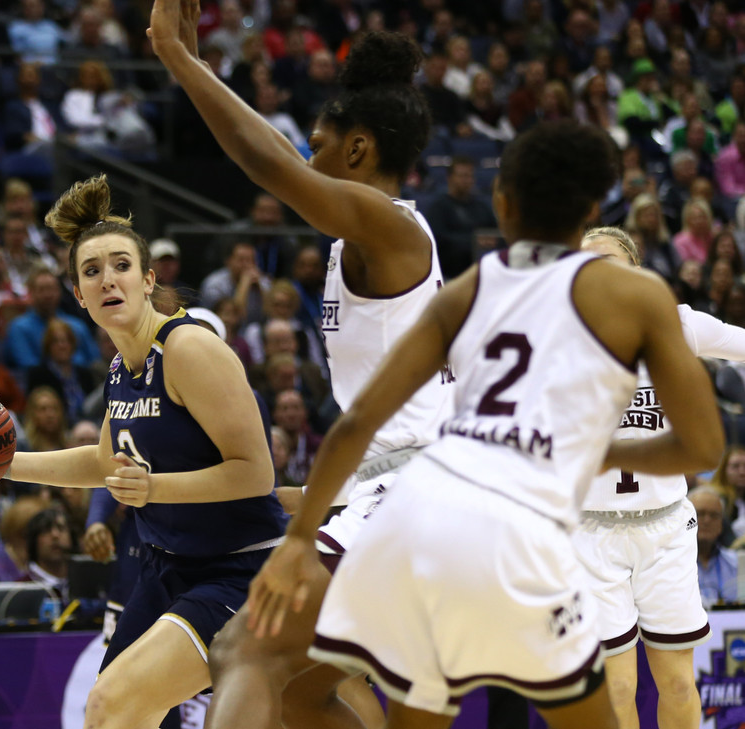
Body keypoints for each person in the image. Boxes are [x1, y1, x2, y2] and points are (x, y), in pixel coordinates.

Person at [245, 119, 724, 729]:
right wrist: (598, 454)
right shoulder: (638, 301)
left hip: (441, 521)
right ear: (591, 208)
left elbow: (359, 421)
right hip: (525, 542)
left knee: (374, 700)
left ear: (501, 203)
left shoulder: (465, 293)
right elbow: (703, 446)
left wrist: (297, 539)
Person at [151, 10, 452, 729]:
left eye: (317, 147)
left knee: (244, 650)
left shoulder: (389, 226)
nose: (304, 160)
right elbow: (281, 153)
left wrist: (179, 60)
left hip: (417, 491)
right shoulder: (378, 234)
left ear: (358, 148)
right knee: (300, 692)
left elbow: (270, 164)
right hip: (408, 489)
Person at [6, 173, 286, 729]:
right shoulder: (120, 367)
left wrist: (155, 487)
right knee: (112, 713)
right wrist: (2, 466)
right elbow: (104, 462)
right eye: (91, 271)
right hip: (167, 568)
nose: (108, 279)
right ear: (79, 296)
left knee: (114, 705)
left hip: (241, 566)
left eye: (121, 265)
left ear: (148, 279)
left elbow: (256, 473)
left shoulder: (188, 349)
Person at [575, 226, 744, 729]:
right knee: (617, 687)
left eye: (606, 260)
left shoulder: (677, 323)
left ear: (636, 269)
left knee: (676, 683)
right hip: (590, 532)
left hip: (665, 527)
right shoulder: (554, 336)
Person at [690, 486, 738, 607]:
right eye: (700, 514)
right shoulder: (670, 564)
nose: (707, 520)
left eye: (714, 515)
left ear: (721, 524)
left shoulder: (737, 564)